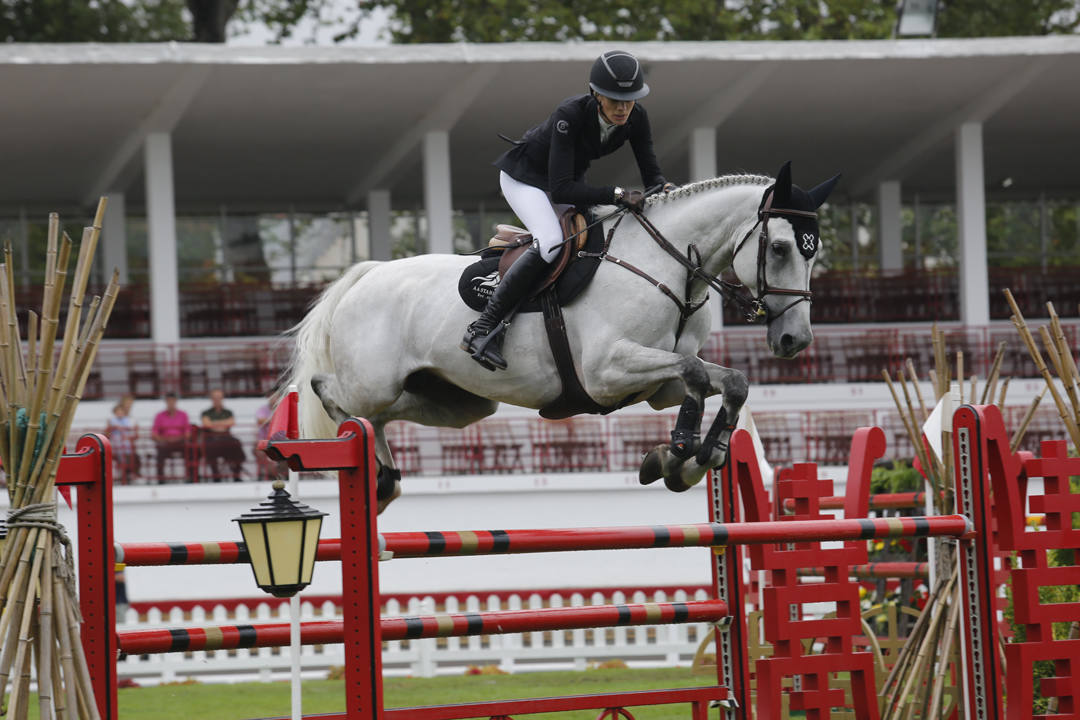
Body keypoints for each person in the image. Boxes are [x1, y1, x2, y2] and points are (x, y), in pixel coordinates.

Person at [462, 49, 676, 371]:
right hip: (526, 180)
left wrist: (666, 192)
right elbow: (561, 189)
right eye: (614, 99)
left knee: (592, 236)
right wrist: (617, 194)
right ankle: (482, 329)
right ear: (596, 94)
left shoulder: (637, 117)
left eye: (629, 99)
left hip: (564, 181)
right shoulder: (570, 115)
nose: (622, 107)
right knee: (550, 242)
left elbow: (651, 174)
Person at [200, 389, 245, 482]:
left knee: (237, 444)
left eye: (219, 398)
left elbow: (231, 422)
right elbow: (207, 424)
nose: (217, 400)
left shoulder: (228, 412)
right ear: (211, 399)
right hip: (212, 439)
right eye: (215, 398)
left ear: (222, 398)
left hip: (226, 438)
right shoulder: (206, 412)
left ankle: (236, 474)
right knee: (209, 447)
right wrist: (223, 424)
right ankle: (216, 476)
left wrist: (214, 424)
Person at [151, 393, 190, 483]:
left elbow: (188, 433)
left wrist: (177, 438)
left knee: (191, 452)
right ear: (166, 402)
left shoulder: (183, 415)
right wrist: (166, 439)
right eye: (169, 401)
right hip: (165, 443)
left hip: (180, 442)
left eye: (173, 401)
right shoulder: (159, 416)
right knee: (160, 453)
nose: (171, 403)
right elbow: (154, 433)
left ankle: (190, 477)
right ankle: (161, 479)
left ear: (176, 401)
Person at [106, 401, 139, 484]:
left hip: (126, 444)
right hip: (117, 444)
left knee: (129, 458)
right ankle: (124, 476)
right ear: (115, 412)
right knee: (122, 460)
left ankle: (128, 475)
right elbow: (108, 432)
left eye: (121, 412)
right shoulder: (111, 421)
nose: (119, 413)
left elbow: (133, 431)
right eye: (118, 412)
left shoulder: (128, 420)